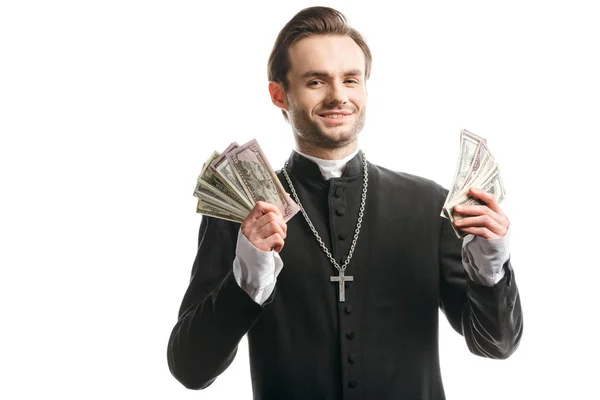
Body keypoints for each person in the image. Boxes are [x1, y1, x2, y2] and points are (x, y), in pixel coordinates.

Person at [167, 6, 523, 400]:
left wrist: (491, 267)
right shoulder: (241, 214)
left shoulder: (427, 204)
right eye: (316, 81)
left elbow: (495, 345)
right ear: (279, 94)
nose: (338, 96)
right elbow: (190, 368)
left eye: (351, 80)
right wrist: (247, 277)